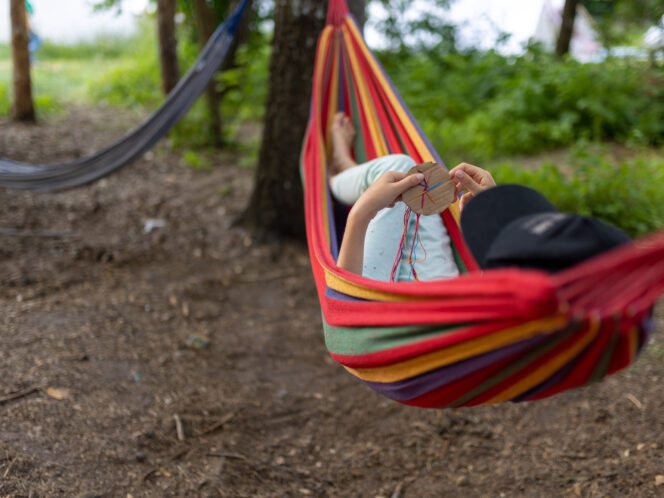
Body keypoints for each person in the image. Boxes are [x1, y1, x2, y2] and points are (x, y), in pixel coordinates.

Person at [329, 112, 630, 280]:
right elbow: (493, 286)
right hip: (443, 284)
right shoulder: (532, 309)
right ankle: (352, 171)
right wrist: (494, 213)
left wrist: (361, 213)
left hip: (382, 303)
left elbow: (348, 310)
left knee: (400, 167)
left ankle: (343, 169)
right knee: (419, 193)